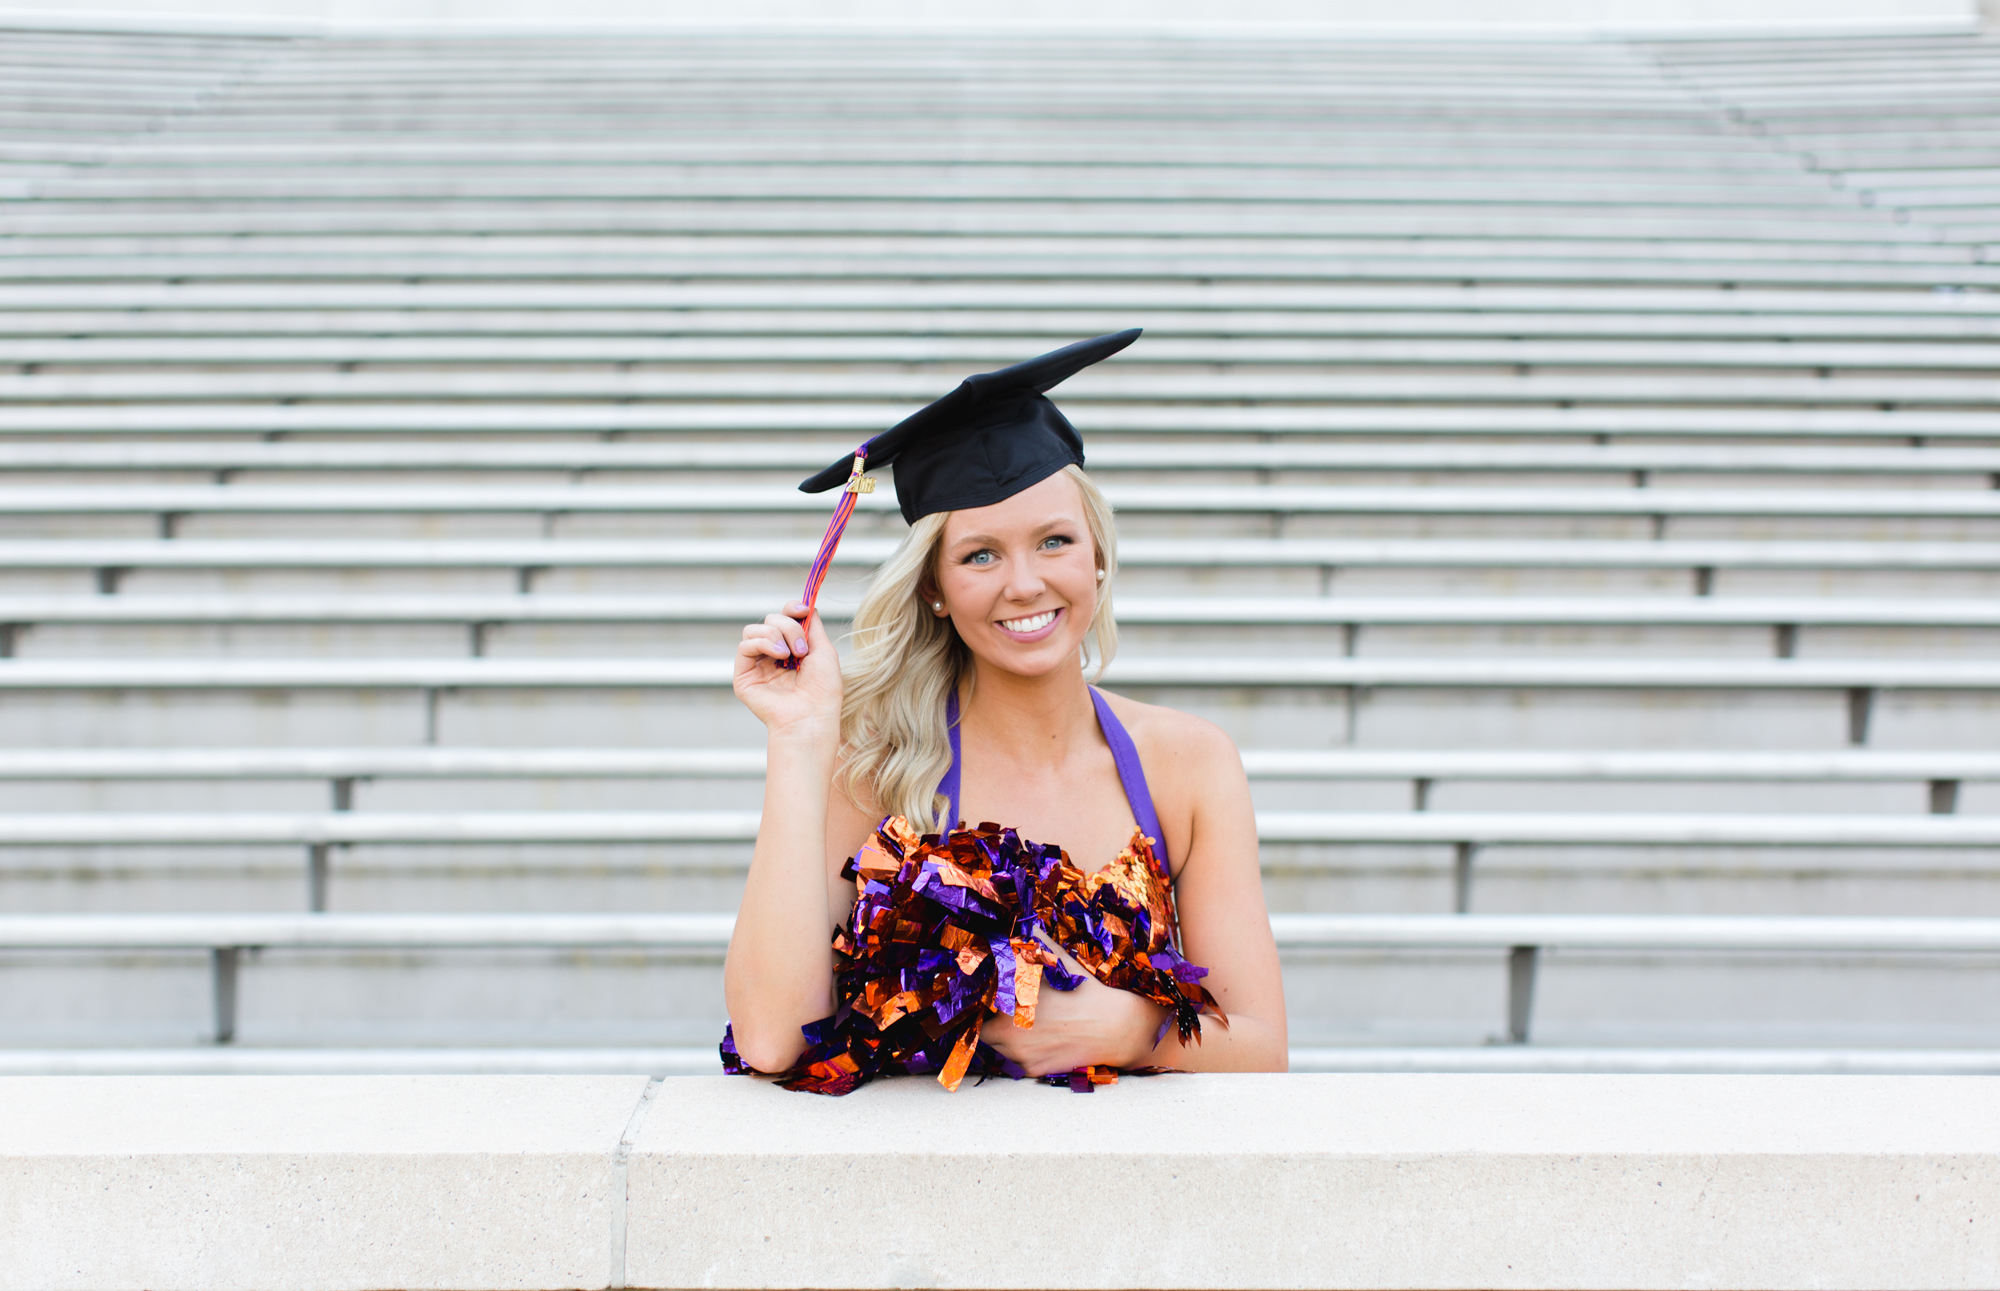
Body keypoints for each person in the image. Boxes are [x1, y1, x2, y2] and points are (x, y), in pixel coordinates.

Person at [724, 330, 1287, 1087]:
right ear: (935, 587)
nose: (1023, 584)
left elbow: (1262, 1049)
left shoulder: (1187, 764)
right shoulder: (878, 773)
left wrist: (1130, 1028)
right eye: (979, 554)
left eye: (1054, 541)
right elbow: (769, 1038)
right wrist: (799, 741)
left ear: (1097, 556)